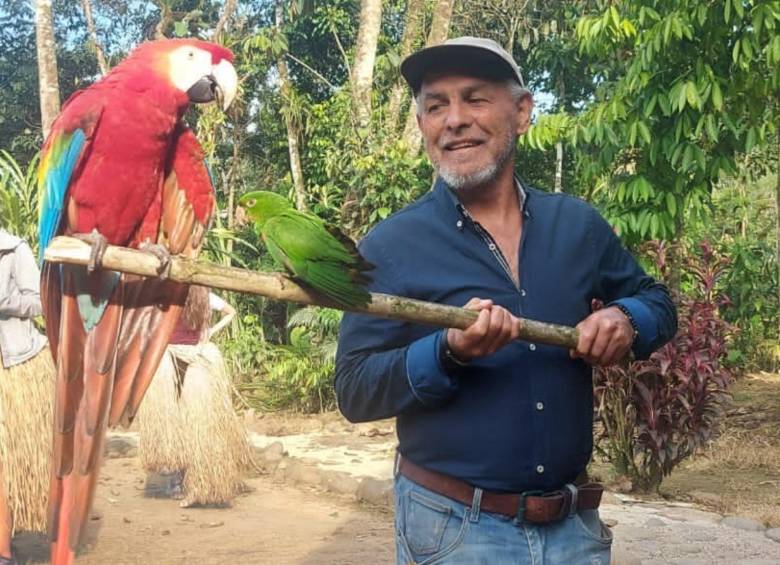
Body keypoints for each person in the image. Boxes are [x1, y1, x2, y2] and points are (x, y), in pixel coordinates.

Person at [335, 37, 677, 564]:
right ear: (423, 125)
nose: (453, 120)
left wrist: (627, 318)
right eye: (435, 106)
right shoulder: (390, 246)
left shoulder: (577, 226)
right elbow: (355, 392)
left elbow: (656, 301)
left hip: (574, 533)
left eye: (474, 98)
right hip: (452, 533)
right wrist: (447, 350)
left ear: (521, 112)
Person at [138, 286, 251, 508]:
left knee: (189, 425)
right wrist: (208, 334)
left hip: (178, 359)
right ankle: (183, 483)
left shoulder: (168, 295)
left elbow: (147, 320)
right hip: (186, 359)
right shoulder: (201, 296)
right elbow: (231, 312)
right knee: (187, 425)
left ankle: (190, 484)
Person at [0, 228, 55, 565]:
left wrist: (6, 301)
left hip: (15, 369)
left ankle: (4, 552)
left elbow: (42, 301)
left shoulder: (13, 249)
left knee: (5, 464)